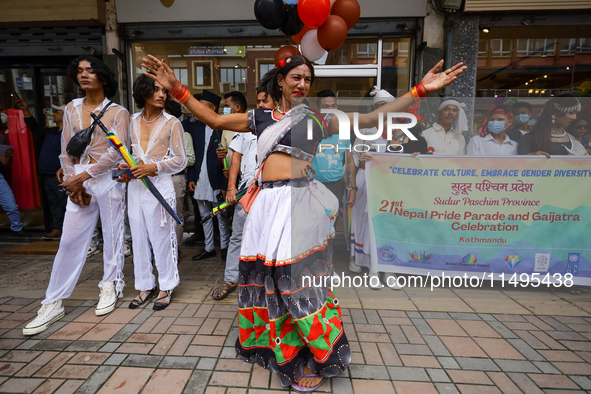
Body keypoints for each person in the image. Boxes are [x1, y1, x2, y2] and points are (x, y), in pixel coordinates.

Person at [142, 53, 465, 391]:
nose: (302, 84)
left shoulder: (317, 120)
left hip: (299, 203)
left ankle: (319, 351)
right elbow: (214, 119)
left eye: (307, 79)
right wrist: (176, 87)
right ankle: (283, 351)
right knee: (269, 280)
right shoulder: (260, 117)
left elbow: (370, 118)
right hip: (266, 206)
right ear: (280, 79)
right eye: (295, 77)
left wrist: (420, 90)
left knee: (298, 282)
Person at [23, 55, 129, 336]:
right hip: (78, 180)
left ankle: (110, 285)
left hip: (108, 180)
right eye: (80, 71)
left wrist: (83, 176)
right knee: (69, 240)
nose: (84, 75)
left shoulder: (118, 112)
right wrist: (72, 180)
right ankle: (53, 301)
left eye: (91, 70)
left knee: (113, 234)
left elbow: (117, 151)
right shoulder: (71, 108)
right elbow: (66, 147)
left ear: (103, 77)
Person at [122, 75, 186, 310]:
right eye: (156, 90)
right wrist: (125, 167)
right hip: (136, 186)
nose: (162, 95)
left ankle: (166, 285)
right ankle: (144, 286)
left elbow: (180, 161)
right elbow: (126, 153)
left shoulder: (172, 122)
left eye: (164, 91)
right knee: (138, 237)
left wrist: (154, 167)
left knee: (162, 238)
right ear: (143, 92)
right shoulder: (131, 120)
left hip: (160, 186)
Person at [211, 87, 279, 301]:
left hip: (272, 192)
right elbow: (236, 159)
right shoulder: (245, 127)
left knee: (270, 237)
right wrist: (231, 187)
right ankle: (231, 278)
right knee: (238, 235)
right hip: (245, 192)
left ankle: (268, 280)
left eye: (265, 101)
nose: (260, 105)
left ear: (276, 103)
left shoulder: (281, 126)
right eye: (258, 101)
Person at [349, 87, 404, 290]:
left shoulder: (402, 128)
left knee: (389, 225)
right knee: (369, 224)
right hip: (368, 181)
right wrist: (353, 185)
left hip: (391, 184)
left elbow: (403, 156)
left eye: (386, 105)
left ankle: (389, 270)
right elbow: (354, 158)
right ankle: (373, 268)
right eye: (378, 106)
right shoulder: (366, 129)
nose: (383, 109)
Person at [186, 90, 230, 262]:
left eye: (201, 107)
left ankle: (225, 248)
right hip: (199, 179)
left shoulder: (223, 127)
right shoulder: (195, 127)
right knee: (204, 215)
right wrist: (191, 177)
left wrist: (226, 183)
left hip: (217, 179)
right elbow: (193, 155)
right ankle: (209, 247)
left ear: (212, 108)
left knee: (221, 215)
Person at [15, 99, 66, 240]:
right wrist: (26, 111)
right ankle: (58, 228)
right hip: (47, 174)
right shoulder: (51, 131)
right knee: (54, 203)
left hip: (61, 175)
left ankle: (70, 231)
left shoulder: (69, 134)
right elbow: (35, 128)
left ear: (66, 115)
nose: (53, 114)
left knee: (65, 203)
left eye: (57, 112)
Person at [312, 90, 357, 228]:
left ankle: (328, 250)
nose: (331, 110)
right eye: (326, 107)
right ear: (318, 108)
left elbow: (349, 161)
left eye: (334, 106)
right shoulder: (312, 130)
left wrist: (353, 188)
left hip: (336, 186)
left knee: (331, 224)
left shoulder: (343, 132)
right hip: (314, 186)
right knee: (314, 224)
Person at [165, 99, 195, 247]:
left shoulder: (185, 135)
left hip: (176, 178)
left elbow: (190, 159)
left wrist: (169, 161)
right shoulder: (156, 136)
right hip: (158, 179)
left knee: (176, 217)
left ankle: (174, 251)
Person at [518, 94, 587, 156]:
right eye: (571, 113)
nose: (574, 117)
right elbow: (518, 164)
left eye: (576, 114)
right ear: (554, 113)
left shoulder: (572, 140)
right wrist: (532, 157)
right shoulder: (530, 138)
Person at [0, 140, 29, 237]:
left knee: (11, 205)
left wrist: (9, 156)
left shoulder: (0, 138)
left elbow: (6, 164)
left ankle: (17, 229)